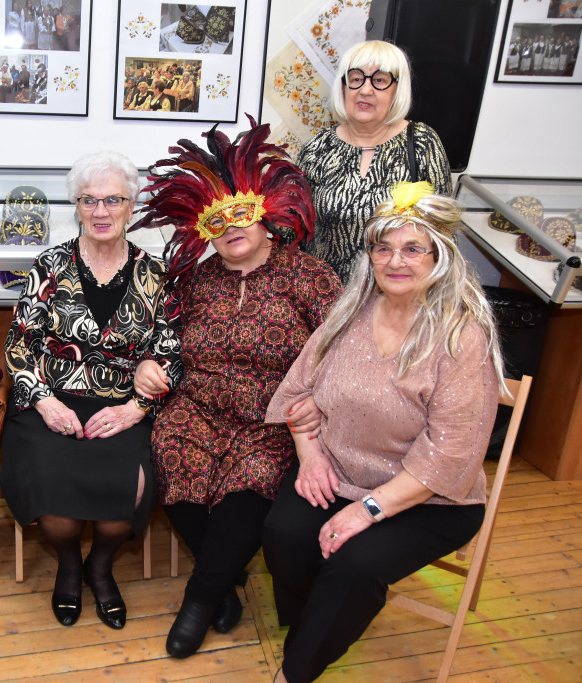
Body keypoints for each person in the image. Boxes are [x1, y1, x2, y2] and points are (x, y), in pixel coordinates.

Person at [261, 182, 504, 683]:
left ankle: (295, 670)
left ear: (440, 258)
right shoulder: (350, 314)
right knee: (282, 534)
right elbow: (293, 393)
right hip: (340, 469)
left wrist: (366, 511)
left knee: (353, 566)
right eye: (384, 247)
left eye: (414, 248)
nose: (396, 260)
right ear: (369, 255)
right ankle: (314, 627)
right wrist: (310, 456)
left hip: (428, 498)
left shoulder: (460, 337)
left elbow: (449, 456)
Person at [131, 119, 342, 658]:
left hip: (274, 417)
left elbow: (344, 353)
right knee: (172, 456)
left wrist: (315, 400)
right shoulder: (193, 281)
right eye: (215, 220)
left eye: (239, 213)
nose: (230, 227)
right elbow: (161, 338)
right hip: (197, 409)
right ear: (201, 229)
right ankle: (222, 580)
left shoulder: (310, 277)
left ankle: (200, 599)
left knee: (250, 482)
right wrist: (149, 365)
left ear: (266, 210)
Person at [0, 151, 180, 631]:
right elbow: (18, 346)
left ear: (132, 204)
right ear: (76, 206)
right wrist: (44, 399)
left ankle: (100, 566)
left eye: (113, 200)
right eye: (89, 200)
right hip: (49, 401)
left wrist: (138, 408)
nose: (101, 211)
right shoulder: (49, 264)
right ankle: (69, 564)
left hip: (122, 407)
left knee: (129, 497)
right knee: (56, 504)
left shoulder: (156, 274)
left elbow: (172, 353)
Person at [298, 40, 452, 284]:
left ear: (397, 89)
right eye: (356, 78)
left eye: (379, 80)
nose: (365, 90)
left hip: (394, 297)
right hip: (325, 296)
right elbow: (296, 232)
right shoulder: (317, 149)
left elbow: (442, 234)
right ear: (343, 86)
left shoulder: (422, 143)